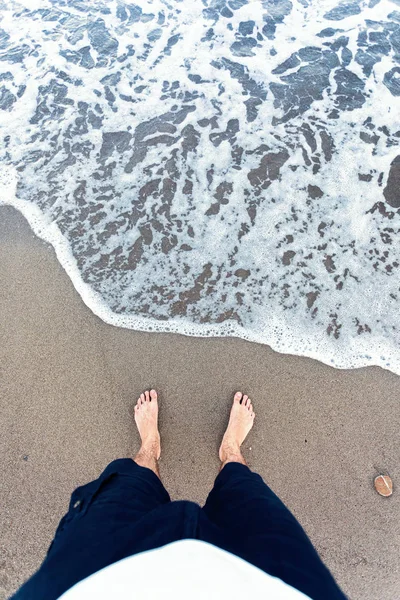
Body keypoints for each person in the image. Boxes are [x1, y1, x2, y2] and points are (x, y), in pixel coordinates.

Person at [12, 390, 346, 600]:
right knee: (244, 491)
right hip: (277, 584)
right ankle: (228, 451)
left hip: (90, 579)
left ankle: (151, 449)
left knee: (132, 484)